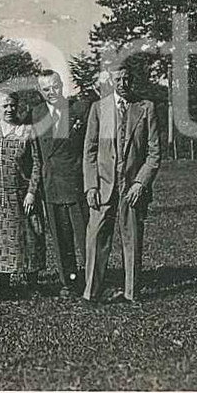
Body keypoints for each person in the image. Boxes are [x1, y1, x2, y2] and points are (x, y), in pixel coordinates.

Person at [82, 65, 160, 304]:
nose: (123, 84)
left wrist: (140, 183)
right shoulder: (99, 108)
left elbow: (154, 153)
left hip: (132, 187)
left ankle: (131, 292)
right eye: (118, 80)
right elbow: (89, 151)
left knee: (132, 238)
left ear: (132, 80)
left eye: (127, 79)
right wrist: (91, 186)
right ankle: (91, 293)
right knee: (95, 237)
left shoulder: (146, 108)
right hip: (103, 185)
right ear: (111, 82)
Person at [30, 69, 90, 297]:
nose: (51, 92)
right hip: (51, 185)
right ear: (40, 91)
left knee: (84, 237)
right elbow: (10, 123)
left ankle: (93, 280)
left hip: (76, 183)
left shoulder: (79, 109)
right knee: (60, 238)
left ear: (62, 85)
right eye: (46, 89)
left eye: (55, 86)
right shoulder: (36, 113)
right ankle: (69, 282)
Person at [0, 89, 45, 298]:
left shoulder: (27, 131)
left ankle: (32, 283)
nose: (9, 109)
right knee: (1, 241)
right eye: (5, 106)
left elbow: (37, 163)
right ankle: (4, 286)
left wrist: (32, 192)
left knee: (29, 239)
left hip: (22, 195)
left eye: (13, 105)